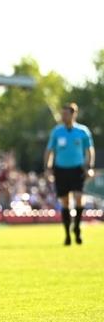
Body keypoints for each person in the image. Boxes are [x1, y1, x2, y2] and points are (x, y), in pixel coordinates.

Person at [44, 103, 95, 246]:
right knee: (65, 202)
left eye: (66, 114)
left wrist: (89, 166)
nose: (63, 116)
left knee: (79, 198)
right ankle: (67, 234)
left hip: (77, 169)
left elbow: (89, 150)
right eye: (62, 114)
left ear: (73, 114)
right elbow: (49, 150)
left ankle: (77, 228)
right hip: (61, 170)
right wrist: (48, 168)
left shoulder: (82, 131)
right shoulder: (57, 132)